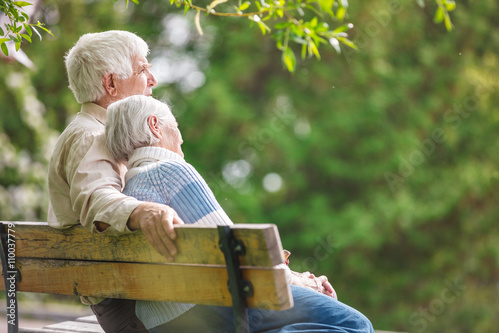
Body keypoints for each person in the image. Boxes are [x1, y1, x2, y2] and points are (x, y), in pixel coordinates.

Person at [105, 95, 375, 333]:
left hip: (160, 322)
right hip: (212, 309)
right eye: (175, 126)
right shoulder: (170, 172)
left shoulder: (127, 193)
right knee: (356, 325)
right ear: (155, 126)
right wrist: (305, 282)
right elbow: (239, 258)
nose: (182, 137)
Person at [47, 31, 183, 333]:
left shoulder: (104, 134)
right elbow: (97, 199)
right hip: (132, 307)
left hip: (139, 294)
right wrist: (144, 212)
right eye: (142, 69)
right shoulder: (91, 135)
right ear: (111, 83)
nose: (153, 79)